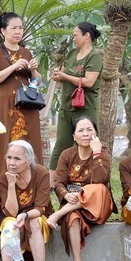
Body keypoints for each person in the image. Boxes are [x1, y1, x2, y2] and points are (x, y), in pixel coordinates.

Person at [47, 116, 114, 261]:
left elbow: (101, 180)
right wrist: (65, 195)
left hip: (97, 205)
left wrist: (97, 153)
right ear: (74, 136)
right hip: (74, 204)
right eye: (81, 130)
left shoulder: (103, 154)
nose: (85, 134)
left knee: (97, 188)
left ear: (95, 133)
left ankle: (57, 214)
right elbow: (58, 182)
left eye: (89, 130)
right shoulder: (67, 155)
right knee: (73, 218)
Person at [0, 12, 43, 172]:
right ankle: (5, 183)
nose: (18, 31)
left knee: (31, 141)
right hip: (6, 106)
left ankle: (33, 182)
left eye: (21, 28)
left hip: (27, 105)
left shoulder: (26, 52)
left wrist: (33, 71)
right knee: (5, 141)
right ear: (3, 31)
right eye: (14, 28)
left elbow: (37, 81)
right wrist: (13, 66)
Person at [0, 140, 52, 261]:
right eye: (9, 157)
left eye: (17, 159)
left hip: (36, 216)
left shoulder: (41, 173)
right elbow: (11, 212)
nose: (11, 163)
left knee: (34, 222)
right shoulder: (3, 178)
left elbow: (40, 208)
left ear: (28, 161)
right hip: (14, 217)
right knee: (9, 225)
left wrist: (25, 214)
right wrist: (12, 184)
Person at [48, 22, 103, 174]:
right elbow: (64, 73)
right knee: (61, 144)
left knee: (88, 143)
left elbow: (89, 81)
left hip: (85, 108)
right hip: (66, 105)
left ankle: (91, 176)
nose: (73, 38)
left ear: (86, 36)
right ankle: (52, 181)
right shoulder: (72, 54)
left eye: (75, 35)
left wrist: (65, 76)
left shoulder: (94, 57)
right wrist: (58, 75)